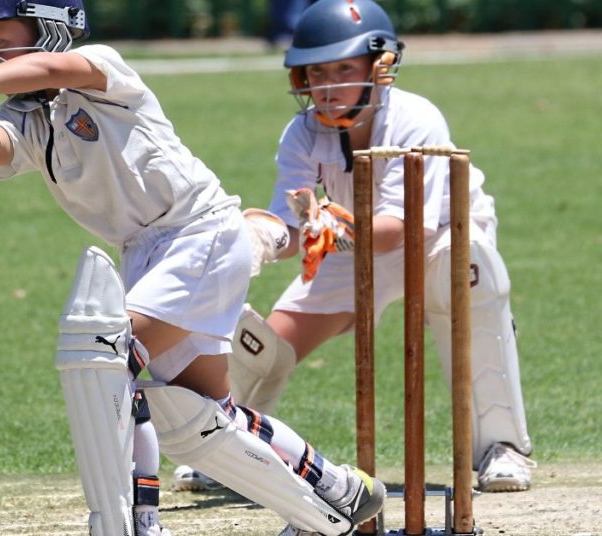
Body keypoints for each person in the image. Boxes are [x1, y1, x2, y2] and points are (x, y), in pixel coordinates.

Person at [0, 1, 386, 534]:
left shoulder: (100, 66)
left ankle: (139, 521)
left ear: (50, 28)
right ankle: (338, 492)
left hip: (199, 232)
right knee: (202, 419)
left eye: (0, 39)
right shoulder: (28, 117)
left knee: (106, 360)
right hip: (148, 252)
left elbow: (50, 70)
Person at [174, 0, 535, 495]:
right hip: (350, 243)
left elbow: (400, 229)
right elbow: (292, 225)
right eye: (318, 71)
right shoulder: (301, 133)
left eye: (345, 68)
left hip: (438, 233)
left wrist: (323, 231)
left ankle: (503, 448)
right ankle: (226, 451)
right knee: (263, 346)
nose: (328, 85)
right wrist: (253, 240)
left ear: (380, 67)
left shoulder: (414, 118)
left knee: (468, 272)